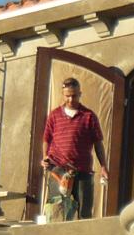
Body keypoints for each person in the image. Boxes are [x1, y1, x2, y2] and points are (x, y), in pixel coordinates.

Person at [40, 77, 107, 220]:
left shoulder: (89, 116)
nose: (70, 99)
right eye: (67, 96)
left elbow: (98, 143)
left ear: (80, 94)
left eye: (74, 95)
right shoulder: (54, 115)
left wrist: (103, 166)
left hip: (82, 171)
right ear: (63, 95)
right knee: (57, 210)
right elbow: (46, 139)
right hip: (58, 169)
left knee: (84, 212)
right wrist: (45, 156)